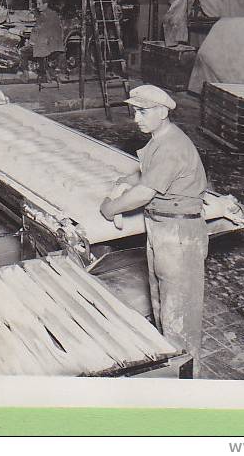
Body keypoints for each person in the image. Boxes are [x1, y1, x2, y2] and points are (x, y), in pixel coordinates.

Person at [99, 84, 209, 376]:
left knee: (179, 318)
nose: (136, 117)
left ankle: (186, 384)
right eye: (134, 111)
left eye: (143, 111)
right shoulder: (160, 140)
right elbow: (145, 174)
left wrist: (111, 208)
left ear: (162, 112)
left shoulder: (172, 146)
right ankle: (168, 372)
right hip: (163, 229)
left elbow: (144, 193)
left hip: (179, 235)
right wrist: (125, 179)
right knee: (163, 306)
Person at [26, 0, 65, 81]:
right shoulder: (53, 14)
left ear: (46, 4)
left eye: (39, 4)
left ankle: (32, 74)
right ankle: (46, 72)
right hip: (55, 46)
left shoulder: (45, 16)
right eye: (37, 4)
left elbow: (38, 30)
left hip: (48, 46)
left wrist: (31, 41)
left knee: (23, 51)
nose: (37, 6)